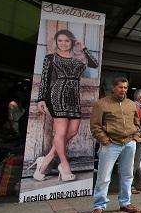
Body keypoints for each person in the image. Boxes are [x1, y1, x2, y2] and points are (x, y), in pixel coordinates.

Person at [33, 29, 99, 182]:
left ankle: (46, 160)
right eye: (60, 40)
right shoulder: (51, 58)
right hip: (58, 95)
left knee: (72, 131)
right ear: (56, 42)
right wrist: (41, 99)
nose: (63, 43)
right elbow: (45, 79)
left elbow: (94, 64)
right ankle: (64, 165)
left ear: (72, 41)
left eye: (66, 40)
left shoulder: (78, 58)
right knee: (61, 133)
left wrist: (83, 48)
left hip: (74, 96)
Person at [90, 77, 141, 213]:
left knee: (127, 175)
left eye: (125, 88)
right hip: (111, 143)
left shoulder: (131, 104)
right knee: (104, 176)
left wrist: (136, 137)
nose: (123, 90)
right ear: (113, 88)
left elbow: (137, 122)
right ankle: (99, 205)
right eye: (120, 87)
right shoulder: (102, 104)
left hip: (129, 143)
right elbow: (95, 125)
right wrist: (104, 140)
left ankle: (125, 202)